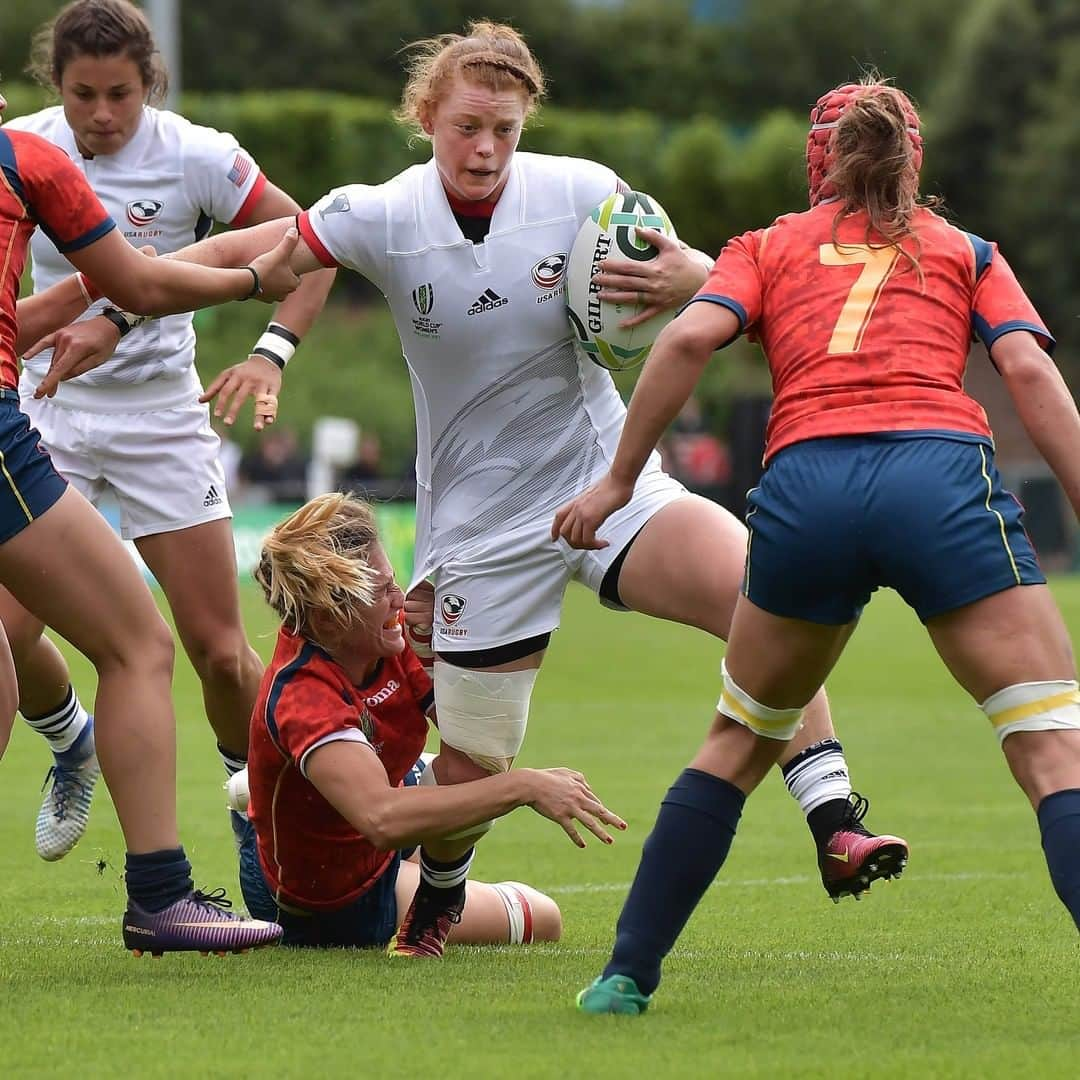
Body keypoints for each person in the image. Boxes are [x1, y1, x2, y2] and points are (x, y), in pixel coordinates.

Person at [37, 23, 907, 959]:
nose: (486, 147)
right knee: (472, 765)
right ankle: (441, 897)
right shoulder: (380, 212)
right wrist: (108, 311)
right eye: (466, 127)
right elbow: (247, 252)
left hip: (608, 487)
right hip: (481, 535)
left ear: (527, 119)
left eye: (504, 127)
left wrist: (688, 274)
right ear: (428, 119)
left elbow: (714, 287)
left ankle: (833, 819)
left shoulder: (584, 193)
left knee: (756, 591)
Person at [553, 77, 1080, 1015]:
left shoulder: (765, 247)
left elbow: (682, 346)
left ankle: (625, 976)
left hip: (807, 491)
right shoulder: (965, 250)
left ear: (817, 164)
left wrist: (616, 481)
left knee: (737, 741)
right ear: (913, 165)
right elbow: (1028, 366)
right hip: (940, 481)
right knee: (1052, 751)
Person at [2, 0, 335, 862]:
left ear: (151, 83)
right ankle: (67, 736)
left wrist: (272, 351)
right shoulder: (29, 150)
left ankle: (254, 790)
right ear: (56, 89)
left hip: (159, 418)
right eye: (83, 96)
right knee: (9, 631)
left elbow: (312, 240)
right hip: (46, 413)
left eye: (119, 94)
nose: (101, 116)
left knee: (221, 656)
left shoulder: (199, 155)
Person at [231, 492, 622, 950]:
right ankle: (432, 895)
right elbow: (382, 820)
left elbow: (466, 734)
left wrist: (446, 659)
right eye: (381, 593)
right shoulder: (304, 695)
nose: (400, 598)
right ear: (331, 618)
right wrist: (526, 787)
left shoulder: (386, 637)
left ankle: (276, 786)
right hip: (338, 901)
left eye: (392, 581)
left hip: (351, 825)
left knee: (471, 766)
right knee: (545, 917)